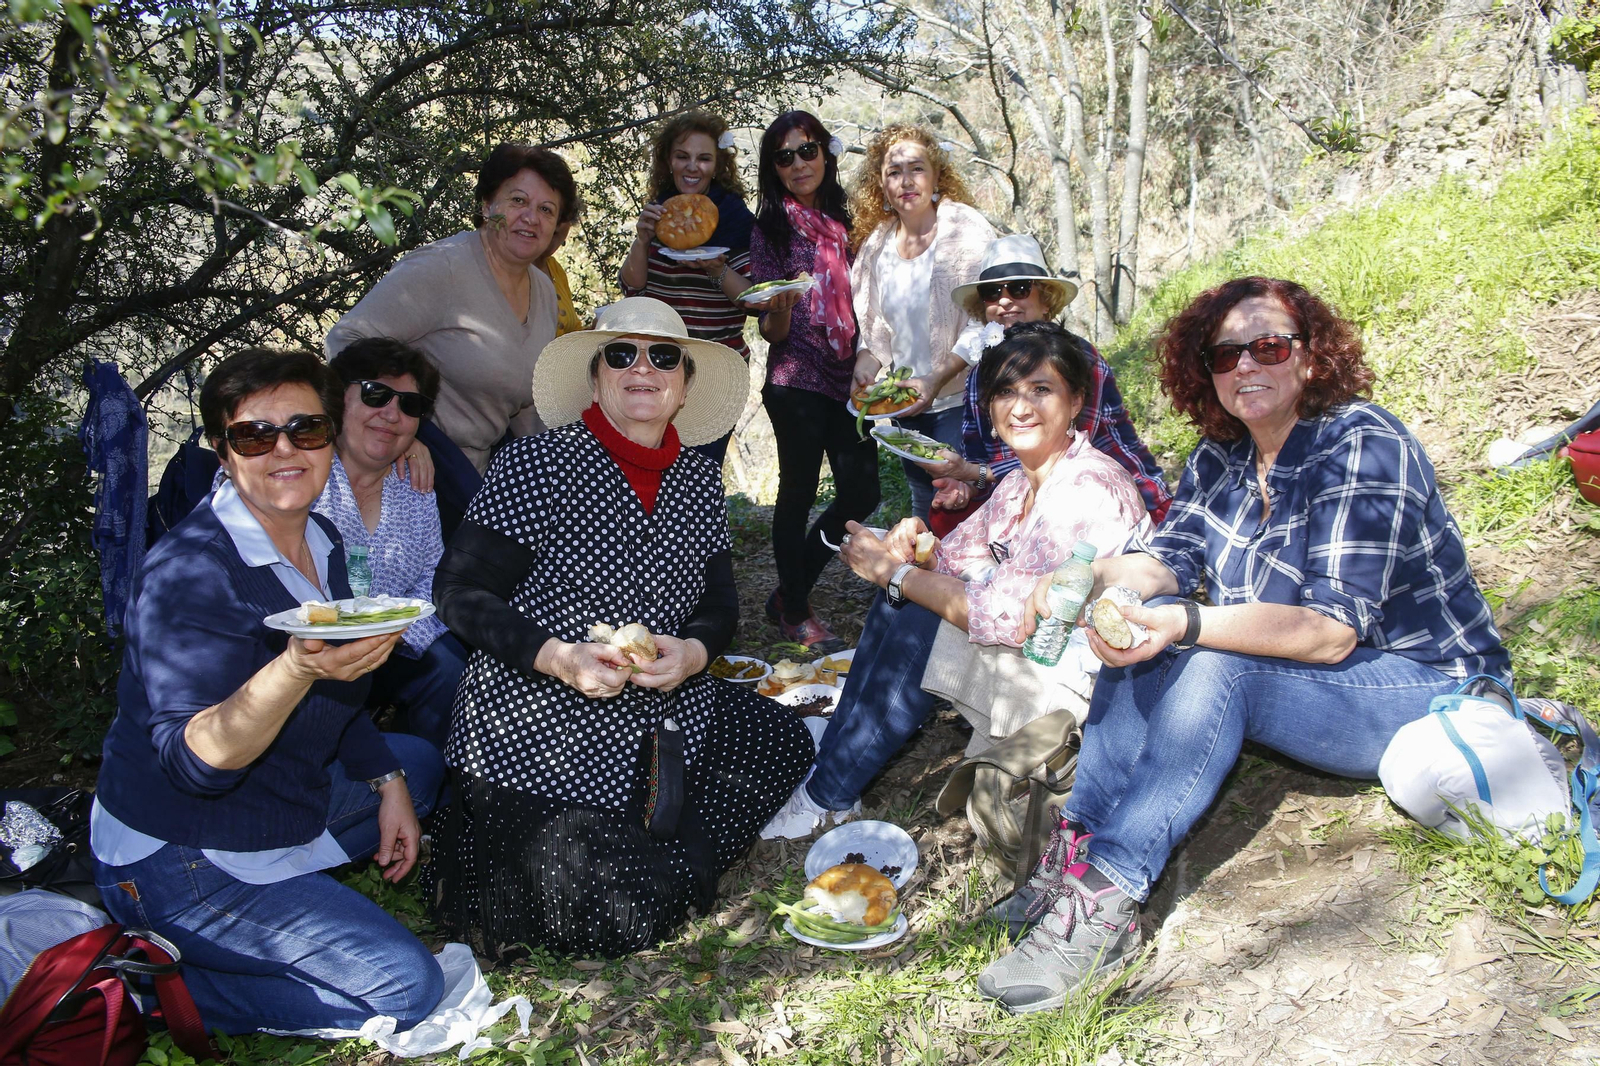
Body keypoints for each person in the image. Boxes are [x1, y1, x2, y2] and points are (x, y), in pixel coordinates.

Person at [977, 277, 1511, 1014]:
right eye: (1226, 354)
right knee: (1139, 620)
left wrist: (1188, 625)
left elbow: (1329, 632)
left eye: (1268, 346)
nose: (1246, 367)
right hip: (1308, 676)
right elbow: (1170, 561)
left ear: (1311, 358)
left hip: (1422, 684)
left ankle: (1107, 901)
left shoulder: (1362, 443)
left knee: (1209, 656)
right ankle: (1074, 858)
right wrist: (1092, 576)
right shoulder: (1219, 458)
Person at [428, 297, 814, 958]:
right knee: (615, 916)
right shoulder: (535, 465)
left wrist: (694, 651)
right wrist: (558, 658)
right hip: (544, 717)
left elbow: (719, 603)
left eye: (664, 357)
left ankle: (664, 840)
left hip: (666, 707)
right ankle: (648, 851)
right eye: (622, 354)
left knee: (785, 741)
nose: (643, 368)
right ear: (596, 375)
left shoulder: (696, 479)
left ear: (685, 384)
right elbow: (458, 593)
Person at [90, 348, 446, 1034]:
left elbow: (342, 697)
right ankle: (144, 988)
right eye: (255, 435)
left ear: (331, 435)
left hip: (277, 801)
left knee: (421, 766)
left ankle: (288, 900)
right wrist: (297, 669)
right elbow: (195, 764)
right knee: (407, 989)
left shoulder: (323, 536)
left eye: (306, 430)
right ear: (224, 453)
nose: (285, 450)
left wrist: (387, 781)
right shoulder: (191, 572)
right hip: (181, 853)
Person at [762, 323, 1151, 839]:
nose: (1021, 406)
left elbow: (1016, 618)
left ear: (1076, 400)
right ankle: (836, 752)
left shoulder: (1089, 487)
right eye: (1006, 391)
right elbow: (952, 561)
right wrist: (913, 544)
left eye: (1041, 389)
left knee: (919, 617)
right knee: (901, 598)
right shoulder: (1020, 481)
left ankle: (827, 795)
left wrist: (897, 574)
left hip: (1082, 678)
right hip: (1035, 647)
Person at [326, 142, 580, 473]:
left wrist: (564, 463)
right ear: (488, 205)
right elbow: (345, 339)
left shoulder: (545, 291)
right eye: (518, 200)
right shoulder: (442, 268)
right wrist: (398, 431)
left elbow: (527, 403)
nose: (531, 218)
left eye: (547, 209)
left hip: (477, 473)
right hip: (414, 469)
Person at [920, 234, 1171, 532]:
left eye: (1019, 288)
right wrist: (967, 485)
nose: (1004, 300)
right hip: (1019, 490)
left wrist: (972, 472)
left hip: (1101, 488)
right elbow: (978, 453)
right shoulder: (979, 373)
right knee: (945, 516)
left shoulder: (1075, 358)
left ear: (1046, 299)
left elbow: (1062, 459)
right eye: (991, 292)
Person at [748, 110, 879, 650]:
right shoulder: (770, 229)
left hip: (850, 380)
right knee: (797, 494)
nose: (798, 163)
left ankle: (789, 586)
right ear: (773, 168)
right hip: (795, 379)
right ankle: (796, 610)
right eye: (784, 156)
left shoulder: (852, 222)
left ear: (826, 154)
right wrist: (777, 307)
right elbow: (770, 329)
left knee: (863, 491)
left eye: (807, 150)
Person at [321, 338, 469, 752]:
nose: (391, 413)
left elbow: (432, 578)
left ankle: (431, 788)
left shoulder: (415, 486)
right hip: (304, 648)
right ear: (339, 397)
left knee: (450, 671)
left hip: (389, 645)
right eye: (375, 394)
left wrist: (400, 635)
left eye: (410, 405)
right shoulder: (302, 471)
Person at [849, 124, 996, 521]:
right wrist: (866, 370)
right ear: (880, 185)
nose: (906, 181)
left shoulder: (965, 232)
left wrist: (936, 379)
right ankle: (912, 580)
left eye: (916, 168)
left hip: (961, 402)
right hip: (906, 405)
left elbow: (986, 322)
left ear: (936, 176)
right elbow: (875, 330)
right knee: (924, 501)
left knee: (967, 505)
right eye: (894, 172)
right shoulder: (876, 246)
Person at [619, 111, 757, 468]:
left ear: (718, 165)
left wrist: (716, 268)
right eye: (683, 156)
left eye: (704, 158)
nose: (692, 167)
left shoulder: (736, 220)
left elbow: (752, 300)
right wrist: (643, 239)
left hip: (717, 372)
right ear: (669, 160)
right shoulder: (661, 214)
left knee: (700, 474)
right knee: (650, 471)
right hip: (660, 369)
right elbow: (633, 288)